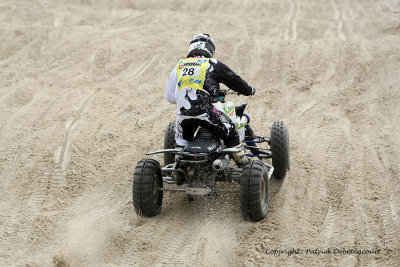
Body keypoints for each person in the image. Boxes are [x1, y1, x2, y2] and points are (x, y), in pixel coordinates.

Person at [164, 33, 256, 166]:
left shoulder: (178, 67)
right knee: (231, 131)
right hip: (206, 113)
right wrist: (249, 90)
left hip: (182, 117)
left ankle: (179, 167)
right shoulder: (211, 64)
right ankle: (243, 163)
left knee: (181, 145)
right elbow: (234, 80)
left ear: (191, 47)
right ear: (210, 49)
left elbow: (170, 98)